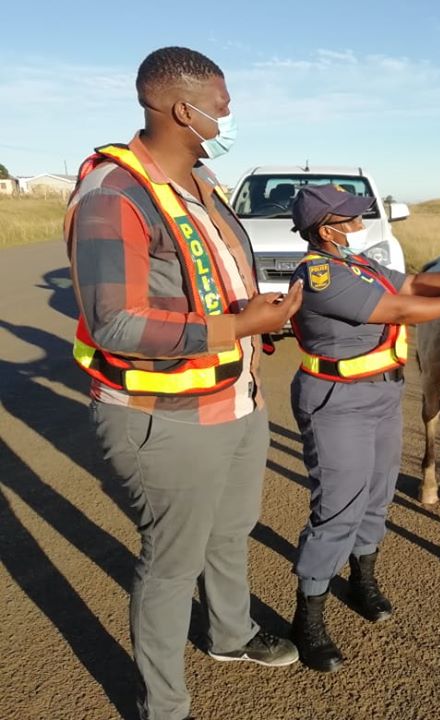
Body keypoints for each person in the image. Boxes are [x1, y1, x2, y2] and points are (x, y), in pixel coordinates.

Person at [65, 47, 303, 720]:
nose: (229, 116)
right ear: (181, 108)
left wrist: (267, 319)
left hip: (235, 399)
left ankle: (229, 635)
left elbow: (221, 289)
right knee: (171, 562)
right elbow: (116, 322)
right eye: (223, 105)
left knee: (232, 529)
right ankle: (163, 705)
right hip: (163, 416)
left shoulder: (203, 185)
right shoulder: (113, 194)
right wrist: (233, 328)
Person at [286, 185, 440, 673]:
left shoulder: (363, 266)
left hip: (381, 394)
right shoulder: (319, 275)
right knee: (338, 506)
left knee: (377, 496)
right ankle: (308, 616)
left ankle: (362, 580)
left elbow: (414, 286)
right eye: (349, 217)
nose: (359, 223)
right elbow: (399, 311)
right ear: (325, 228)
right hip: (338, 402)